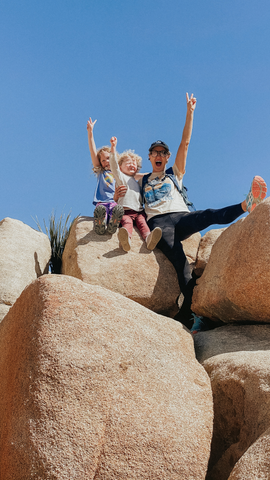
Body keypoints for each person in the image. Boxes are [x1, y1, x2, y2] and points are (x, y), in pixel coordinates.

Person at [139, 93, 267, 328]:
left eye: (162, 152)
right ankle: (192, 315)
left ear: (167, 157)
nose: (158, 155)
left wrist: (190, 112)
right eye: (154, 152)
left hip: (180, 216)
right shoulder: (141, 179)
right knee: (181, 264)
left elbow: (184, 143)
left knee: (208, 214)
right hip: (159, 224)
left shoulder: (174, 173)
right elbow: (115, 173)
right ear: (149, 157)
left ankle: (245, 205)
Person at [109, 136, 162, 252]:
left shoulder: (138, 182)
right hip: (125, 211)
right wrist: (113, 148)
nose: (132, 164)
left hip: (139, 211)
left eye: (134, 163)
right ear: (120, 168)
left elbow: (149, 175)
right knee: (127, 223)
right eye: (128, 162)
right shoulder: (121, 177)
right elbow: (113, 165)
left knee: (143, 224)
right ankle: (126, 240)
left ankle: (149, 239)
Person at [87, 117, 124, 235]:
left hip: (114, 201)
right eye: (103, 160)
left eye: (108, 158)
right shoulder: (101, 172)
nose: (106, 162)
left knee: (115, 209)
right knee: (101, 210)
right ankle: (101, 223)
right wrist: (90, 133)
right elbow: (93, 152)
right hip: (101, 202)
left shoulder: (119, 172)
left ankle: (113, 222)